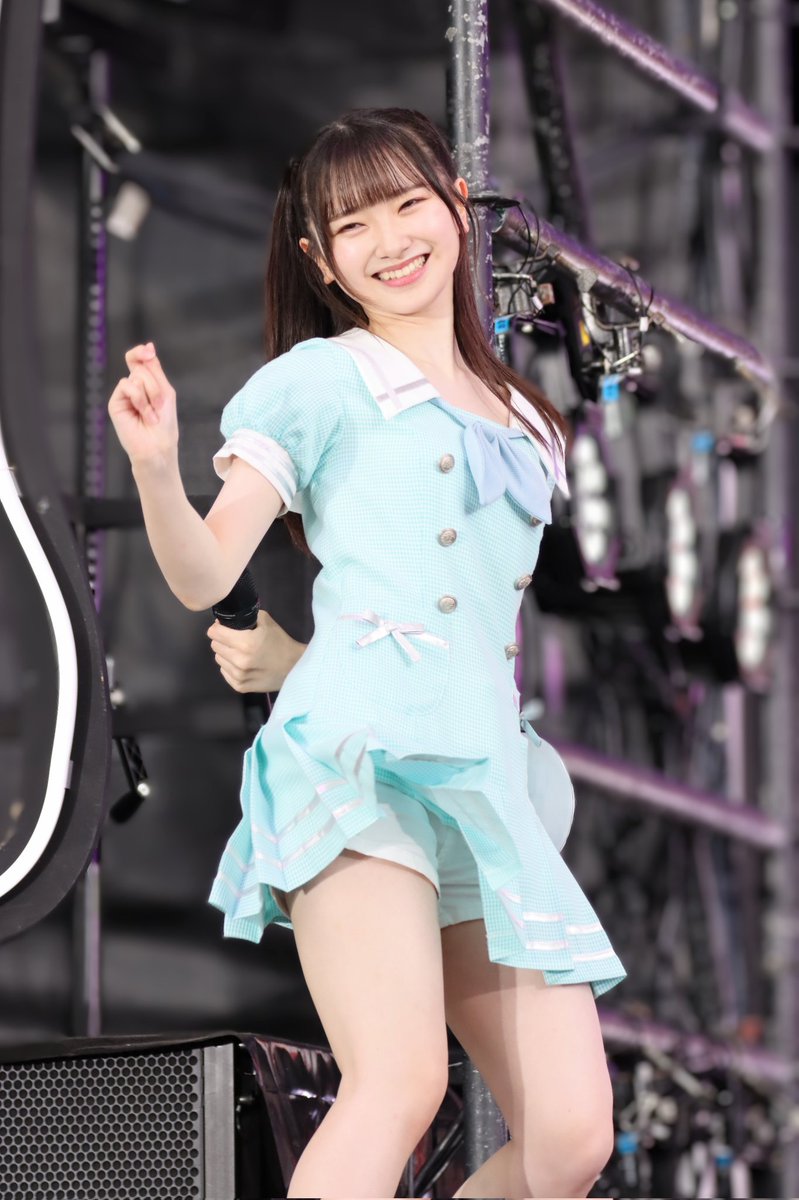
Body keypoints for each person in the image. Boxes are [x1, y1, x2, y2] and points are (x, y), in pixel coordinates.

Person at [108, 106, 626, 1200]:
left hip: (484, 775)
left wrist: (296, 657)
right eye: (352, 226)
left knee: (572, 1138)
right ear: (320, 259)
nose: (389, 240)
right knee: (397, 1083)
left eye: (406, 203)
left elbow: (450, 627)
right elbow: (204, 571)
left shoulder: (527, 419)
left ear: (455, 204)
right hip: (355, 768)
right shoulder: (321, 381)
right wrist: (156, 468)